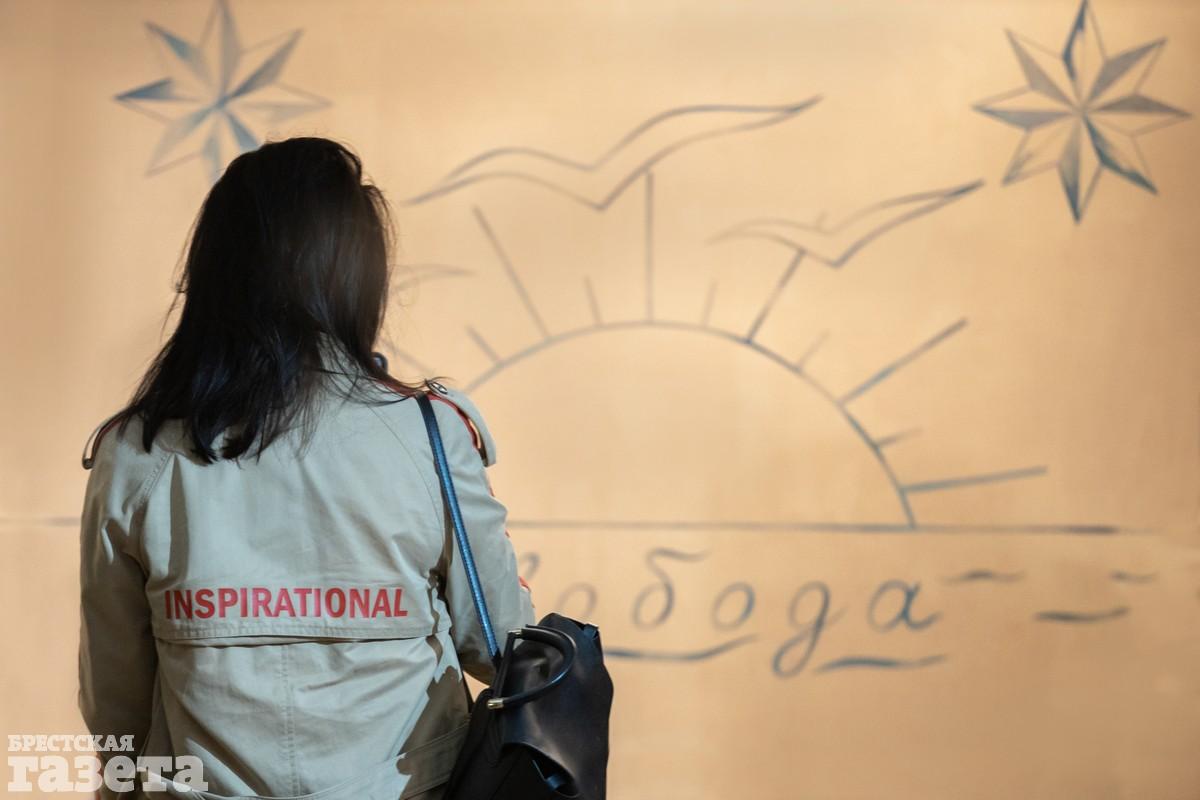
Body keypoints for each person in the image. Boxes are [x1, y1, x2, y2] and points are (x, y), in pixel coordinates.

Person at [77, 136, 535, 799]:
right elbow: (502, 649)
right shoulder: (430, 432)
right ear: (357, 276)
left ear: (215, 271)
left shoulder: (135, 452)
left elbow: (115, 697)